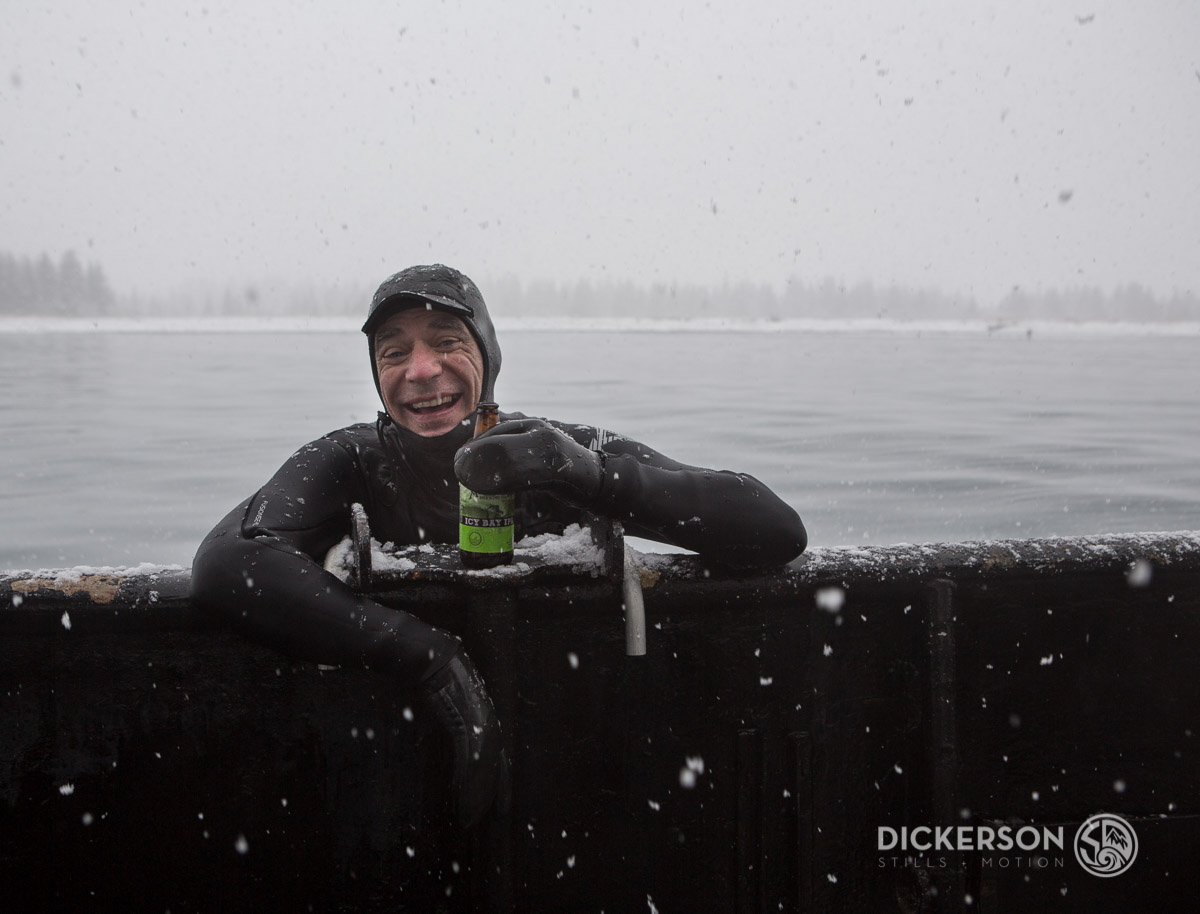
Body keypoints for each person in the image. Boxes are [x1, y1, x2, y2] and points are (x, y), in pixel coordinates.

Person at [191, 263, 806, 830]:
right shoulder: (351, 461)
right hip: (399, 784)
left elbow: (772, 528)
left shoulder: (551, 451)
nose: (421, 369)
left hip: (575, 770)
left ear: (488, 354)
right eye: (394, 352)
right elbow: (229, 562)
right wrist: (428, 656)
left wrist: (588, 476)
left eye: (447, 341)